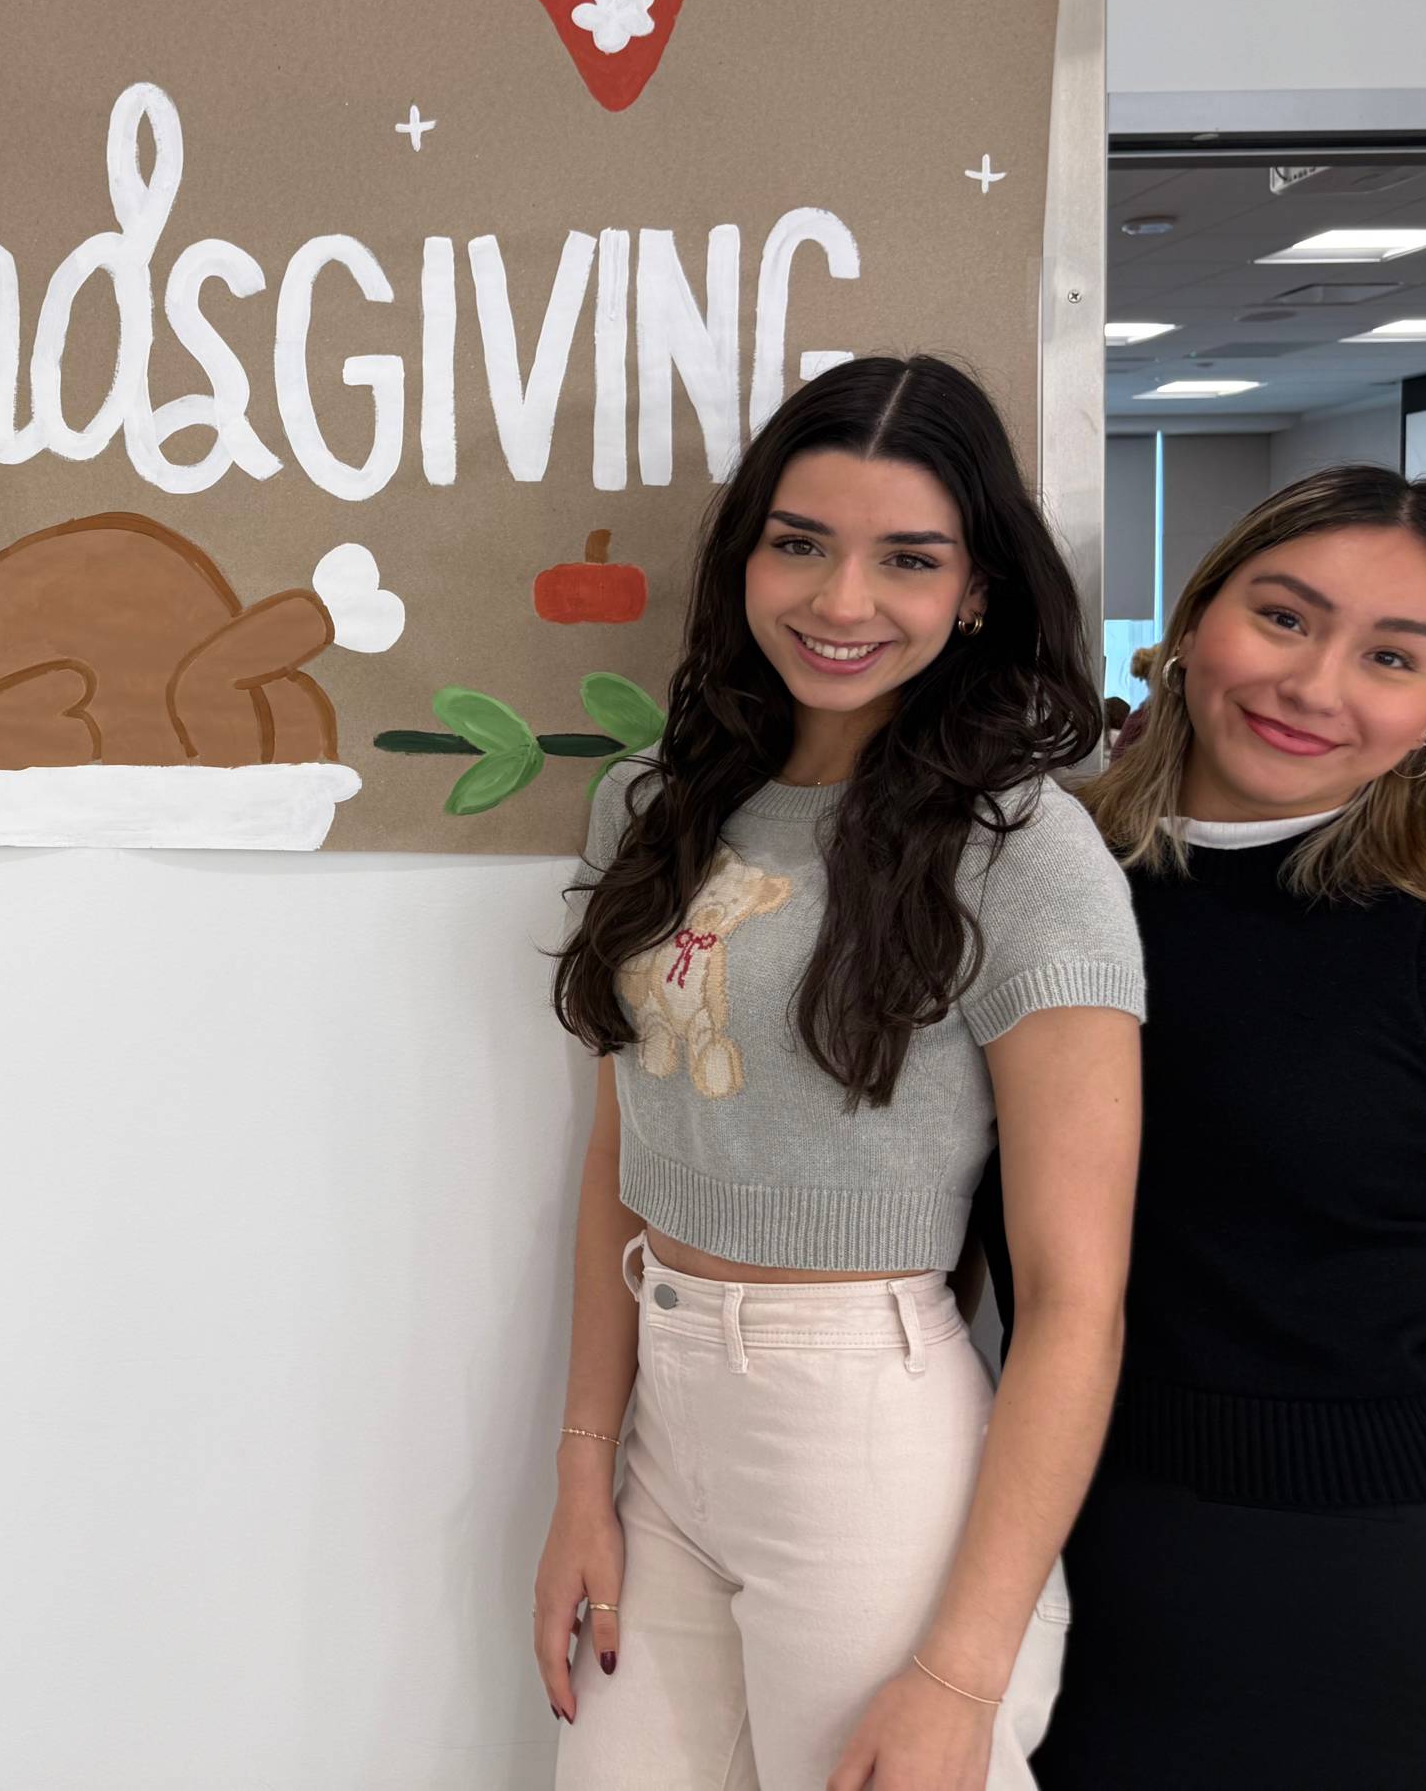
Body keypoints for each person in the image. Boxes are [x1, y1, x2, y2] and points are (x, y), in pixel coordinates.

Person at [539, 356, 1145, 1789]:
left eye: (908, 559)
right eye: (800, 541)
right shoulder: (655, 798)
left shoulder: (1022, 849)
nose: (841, 600)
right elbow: (623, 1144)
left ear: (978, 588)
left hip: (860, 1429)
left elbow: (1077, 1297)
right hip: (665, 1414)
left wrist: (958, 1667)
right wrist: (582, 1465)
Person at [1005, 465, 1426, 1786]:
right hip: (1058, 1540)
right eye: (1284, 617)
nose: (1315, 683)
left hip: (1383, 1578)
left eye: (1392, 654)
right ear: (1197, 613)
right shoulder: (1039, 882)